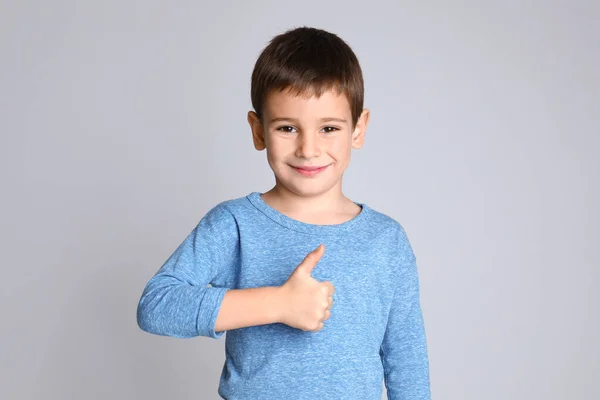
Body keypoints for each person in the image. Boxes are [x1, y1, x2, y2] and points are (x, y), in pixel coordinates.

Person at [137, 26, 430, 399]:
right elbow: (157, 305)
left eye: (328, 128)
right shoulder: (235, 225)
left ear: (358, 129)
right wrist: (277, 303)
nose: (309, 149)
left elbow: (406, 360)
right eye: (288, 128)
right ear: (258, 131)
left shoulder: (386, 240)